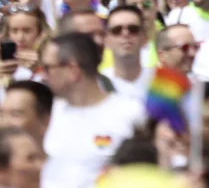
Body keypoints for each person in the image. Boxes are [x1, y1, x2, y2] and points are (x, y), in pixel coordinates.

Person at [41, 32, 147, 188]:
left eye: (47, 67)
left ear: (72, 69)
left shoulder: (131, 113)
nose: (44, 76)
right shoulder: (47, 113)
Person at [102, 6, 155, 101]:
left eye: (133, 29)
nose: (125, 34)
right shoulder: (97, 84)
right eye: (116, 30)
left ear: (145, 38)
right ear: (106, 40)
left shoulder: (164, 82)